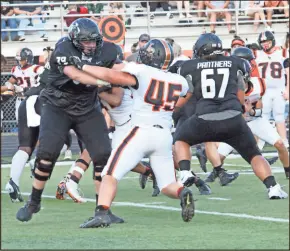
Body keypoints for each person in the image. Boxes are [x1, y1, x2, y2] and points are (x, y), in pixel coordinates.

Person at [69, 38, 195, 228]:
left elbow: (111, 76)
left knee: (109, 174)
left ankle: (102, 213)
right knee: (167, 184)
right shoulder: (177, 80)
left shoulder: (141, 71)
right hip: (163, 135)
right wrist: (173, 108)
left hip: (141, 131)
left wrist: (82, 66)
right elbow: (189, 90)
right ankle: (182, 192)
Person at [15, 18, 122, 223]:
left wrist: (130, 76)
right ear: (74, 40)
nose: (91, 45)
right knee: (47, 153)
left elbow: (121, 68)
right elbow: (77, 75)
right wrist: (105, 80)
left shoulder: (108, 51)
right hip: (57, 105)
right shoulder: (63, 49)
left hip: (87, 107)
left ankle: (103, 210)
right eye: (85, 41)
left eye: (94, 41)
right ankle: (33, 202)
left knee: (103, 155)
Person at [173, 33, 287, 199]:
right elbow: (241, 91)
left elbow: (187, 94)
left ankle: (184, 172)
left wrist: (173, 108)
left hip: (205, 119)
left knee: (181, 138)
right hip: (233, 118)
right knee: (254, 154)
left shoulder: (189, 66)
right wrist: (239, 109)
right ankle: (273, 188)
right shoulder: (237, 63)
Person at [217, 46, 289, 180]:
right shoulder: (226, 84)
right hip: (235, 123)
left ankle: (288, 171)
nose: (252, 65)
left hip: (254, 121)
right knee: (219, 157)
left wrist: (251, 111)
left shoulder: (259, 83)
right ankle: (216, 174)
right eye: (250, 62)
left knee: (280, 144)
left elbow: (260, 110)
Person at [4, 48, 44, 202]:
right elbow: (12, 81)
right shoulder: (33, 68)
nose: (19, 62)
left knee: (26, 144)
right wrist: (10, 86)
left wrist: (14, 87)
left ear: (27, 58)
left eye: (21, 59)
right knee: (40, 138)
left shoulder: (36, 69)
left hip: (22, 105)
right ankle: (35, 161)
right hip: (34, 104)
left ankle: (13, 181)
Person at [254, 31, 289, 148]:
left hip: (279, 89)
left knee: (279, 116)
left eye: (267, 42)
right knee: (262, 116)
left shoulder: (282, 52)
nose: (265, 44)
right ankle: (260, 142)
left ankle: (284, 141)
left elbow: (288, 73)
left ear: (272, 41)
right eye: (263, 42)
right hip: (264, 91)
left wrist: (288, 89)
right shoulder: (257, 54)